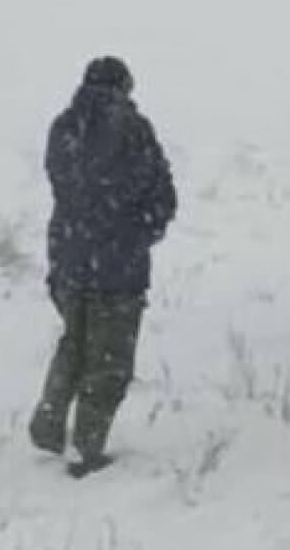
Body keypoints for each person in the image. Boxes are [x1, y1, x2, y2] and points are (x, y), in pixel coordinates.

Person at [29, 56, 177, 478]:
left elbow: (62, 185)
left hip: (69, 258)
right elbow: (162, 193)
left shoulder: (62, 128)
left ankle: (51, 417)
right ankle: (86, 448)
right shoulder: (133, 129)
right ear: (124, 86)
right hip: (117, 265)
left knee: (75, 341)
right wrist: (140, 233)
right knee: (109, 359)